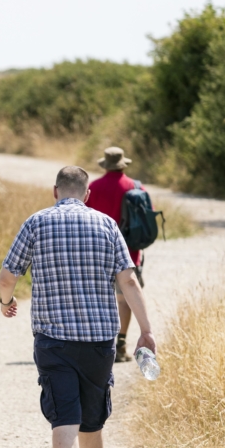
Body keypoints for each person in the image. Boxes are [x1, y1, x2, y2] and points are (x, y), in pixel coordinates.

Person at [0, 165, 156, 448]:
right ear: (86, 194)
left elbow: (7, 276)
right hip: (99, 340)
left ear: (55, 191)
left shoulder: (36, 223)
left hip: (54, 340)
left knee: (63, 420)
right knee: (92, 420)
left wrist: (6, 300)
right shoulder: (105, 225)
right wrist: (145, 331)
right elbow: (129, 280)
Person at [85, 147, 146, 362]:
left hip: (97, 254)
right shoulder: (136, 187)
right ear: (123, 164)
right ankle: (120, 345)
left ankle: (99, 346)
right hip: (129, 252)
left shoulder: (93, 187)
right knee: (125, 300)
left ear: (105, 164)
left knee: (97, 299)